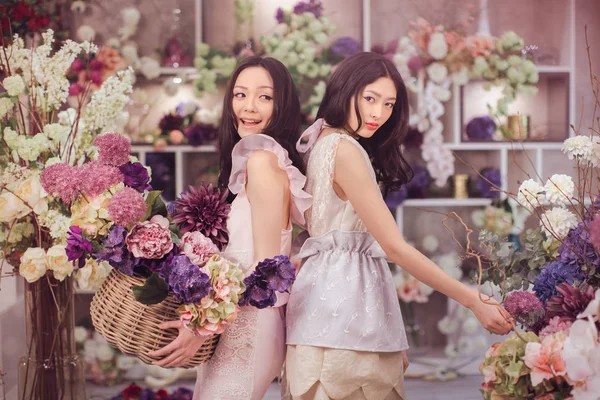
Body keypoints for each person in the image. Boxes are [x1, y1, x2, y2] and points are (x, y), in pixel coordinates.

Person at [285, 52, 513, 400]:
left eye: (389, 104)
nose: (379, 113)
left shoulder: (319, 143)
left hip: (321, 309)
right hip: (347, 316)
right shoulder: (345, 150)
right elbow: (394, 247)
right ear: (343, 91)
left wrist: (390, 332)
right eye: (370, 98)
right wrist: (473, 300)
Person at [149, 56, 311, 400]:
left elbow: (267, 271)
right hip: (239, 324)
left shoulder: (264, 161)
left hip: (249, 328)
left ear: (283, 105)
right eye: (240, 94)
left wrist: (202, 327)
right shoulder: (260, 161)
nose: (249, 107)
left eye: (264, 97)